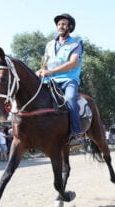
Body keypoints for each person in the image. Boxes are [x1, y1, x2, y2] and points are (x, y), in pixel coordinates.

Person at [36, 13, 84, 145]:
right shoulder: (49, 44)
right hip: (49, 81)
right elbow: (44, 65)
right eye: (58, 24)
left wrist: (50, 71)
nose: (60, 26)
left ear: (70, 26)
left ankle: (77, 133)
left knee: (70, 99)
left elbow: (73, 63)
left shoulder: (76, 43)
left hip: (68, 80)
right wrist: (38, 72)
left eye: (63, 24)